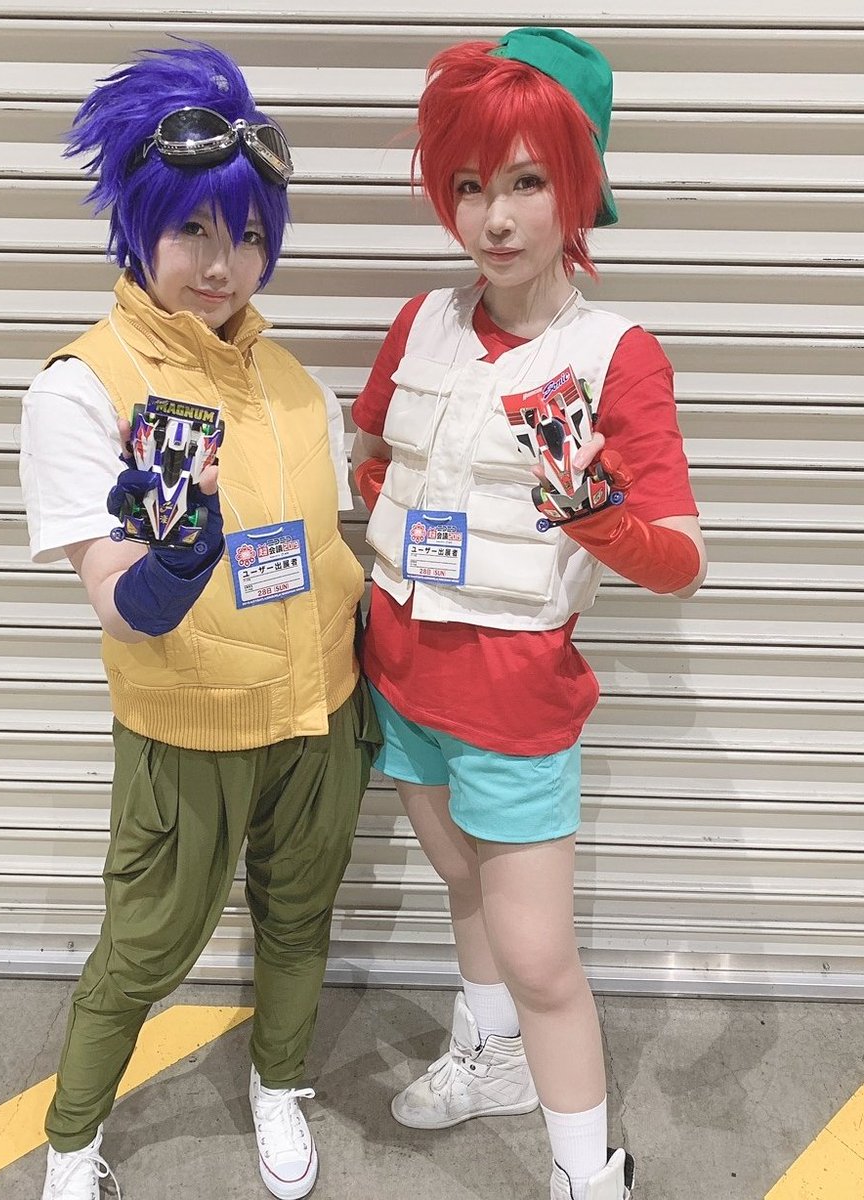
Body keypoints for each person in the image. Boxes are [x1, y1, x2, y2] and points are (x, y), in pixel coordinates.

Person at [350, 28, 706, 1200]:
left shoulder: (615, 356)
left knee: (543, 962)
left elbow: (680, 562)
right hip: (398, 675)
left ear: (579, 186)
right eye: (468, 185)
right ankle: (489, 1054)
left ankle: (584, 1174)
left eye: (525, 182)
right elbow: (372, 451)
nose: (492, 218)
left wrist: (596, 519)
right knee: (462, 888)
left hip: (513, 705)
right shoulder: (421, 319)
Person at [20, 43, 380, 1200]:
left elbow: (329, 548)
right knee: (140, 953)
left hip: (321, 715)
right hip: (186, 732)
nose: (224, 264)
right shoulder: (83, 387)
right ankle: (71, 1142)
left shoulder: (296, 385)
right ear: (137, 226)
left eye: (248, 234)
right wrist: (177, 563)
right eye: (193, 231)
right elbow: (116, 601)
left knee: (299, 920)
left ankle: (279, 1083)